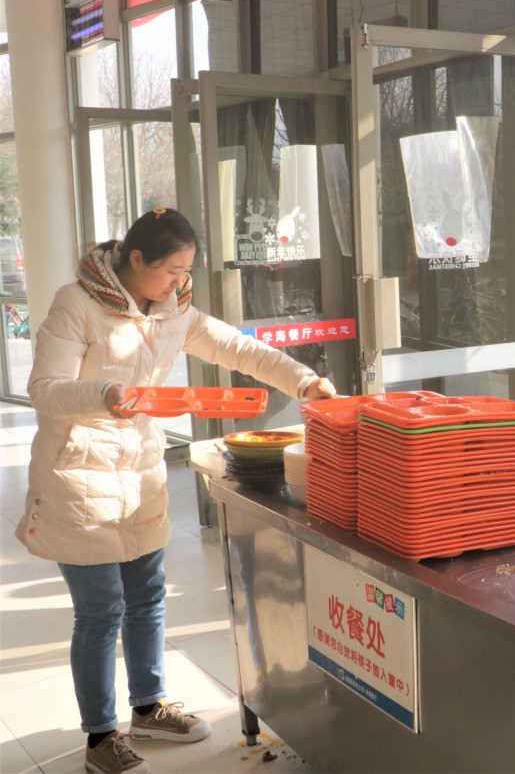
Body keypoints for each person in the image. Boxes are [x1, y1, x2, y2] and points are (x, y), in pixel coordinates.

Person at [17, 208, 336, 774]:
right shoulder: (76, 304)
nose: (179, 281)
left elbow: (240, 349)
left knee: (147, 596)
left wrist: (304, 381)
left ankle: (149, 708)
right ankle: (99, 738)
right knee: (101, 612)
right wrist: (105, 393)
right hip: (78, 476)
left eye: (187, 270)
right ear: (136, 259)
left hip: (140, 470)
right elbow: (44, 389)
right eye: (171, 270)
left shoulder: (175, 310)